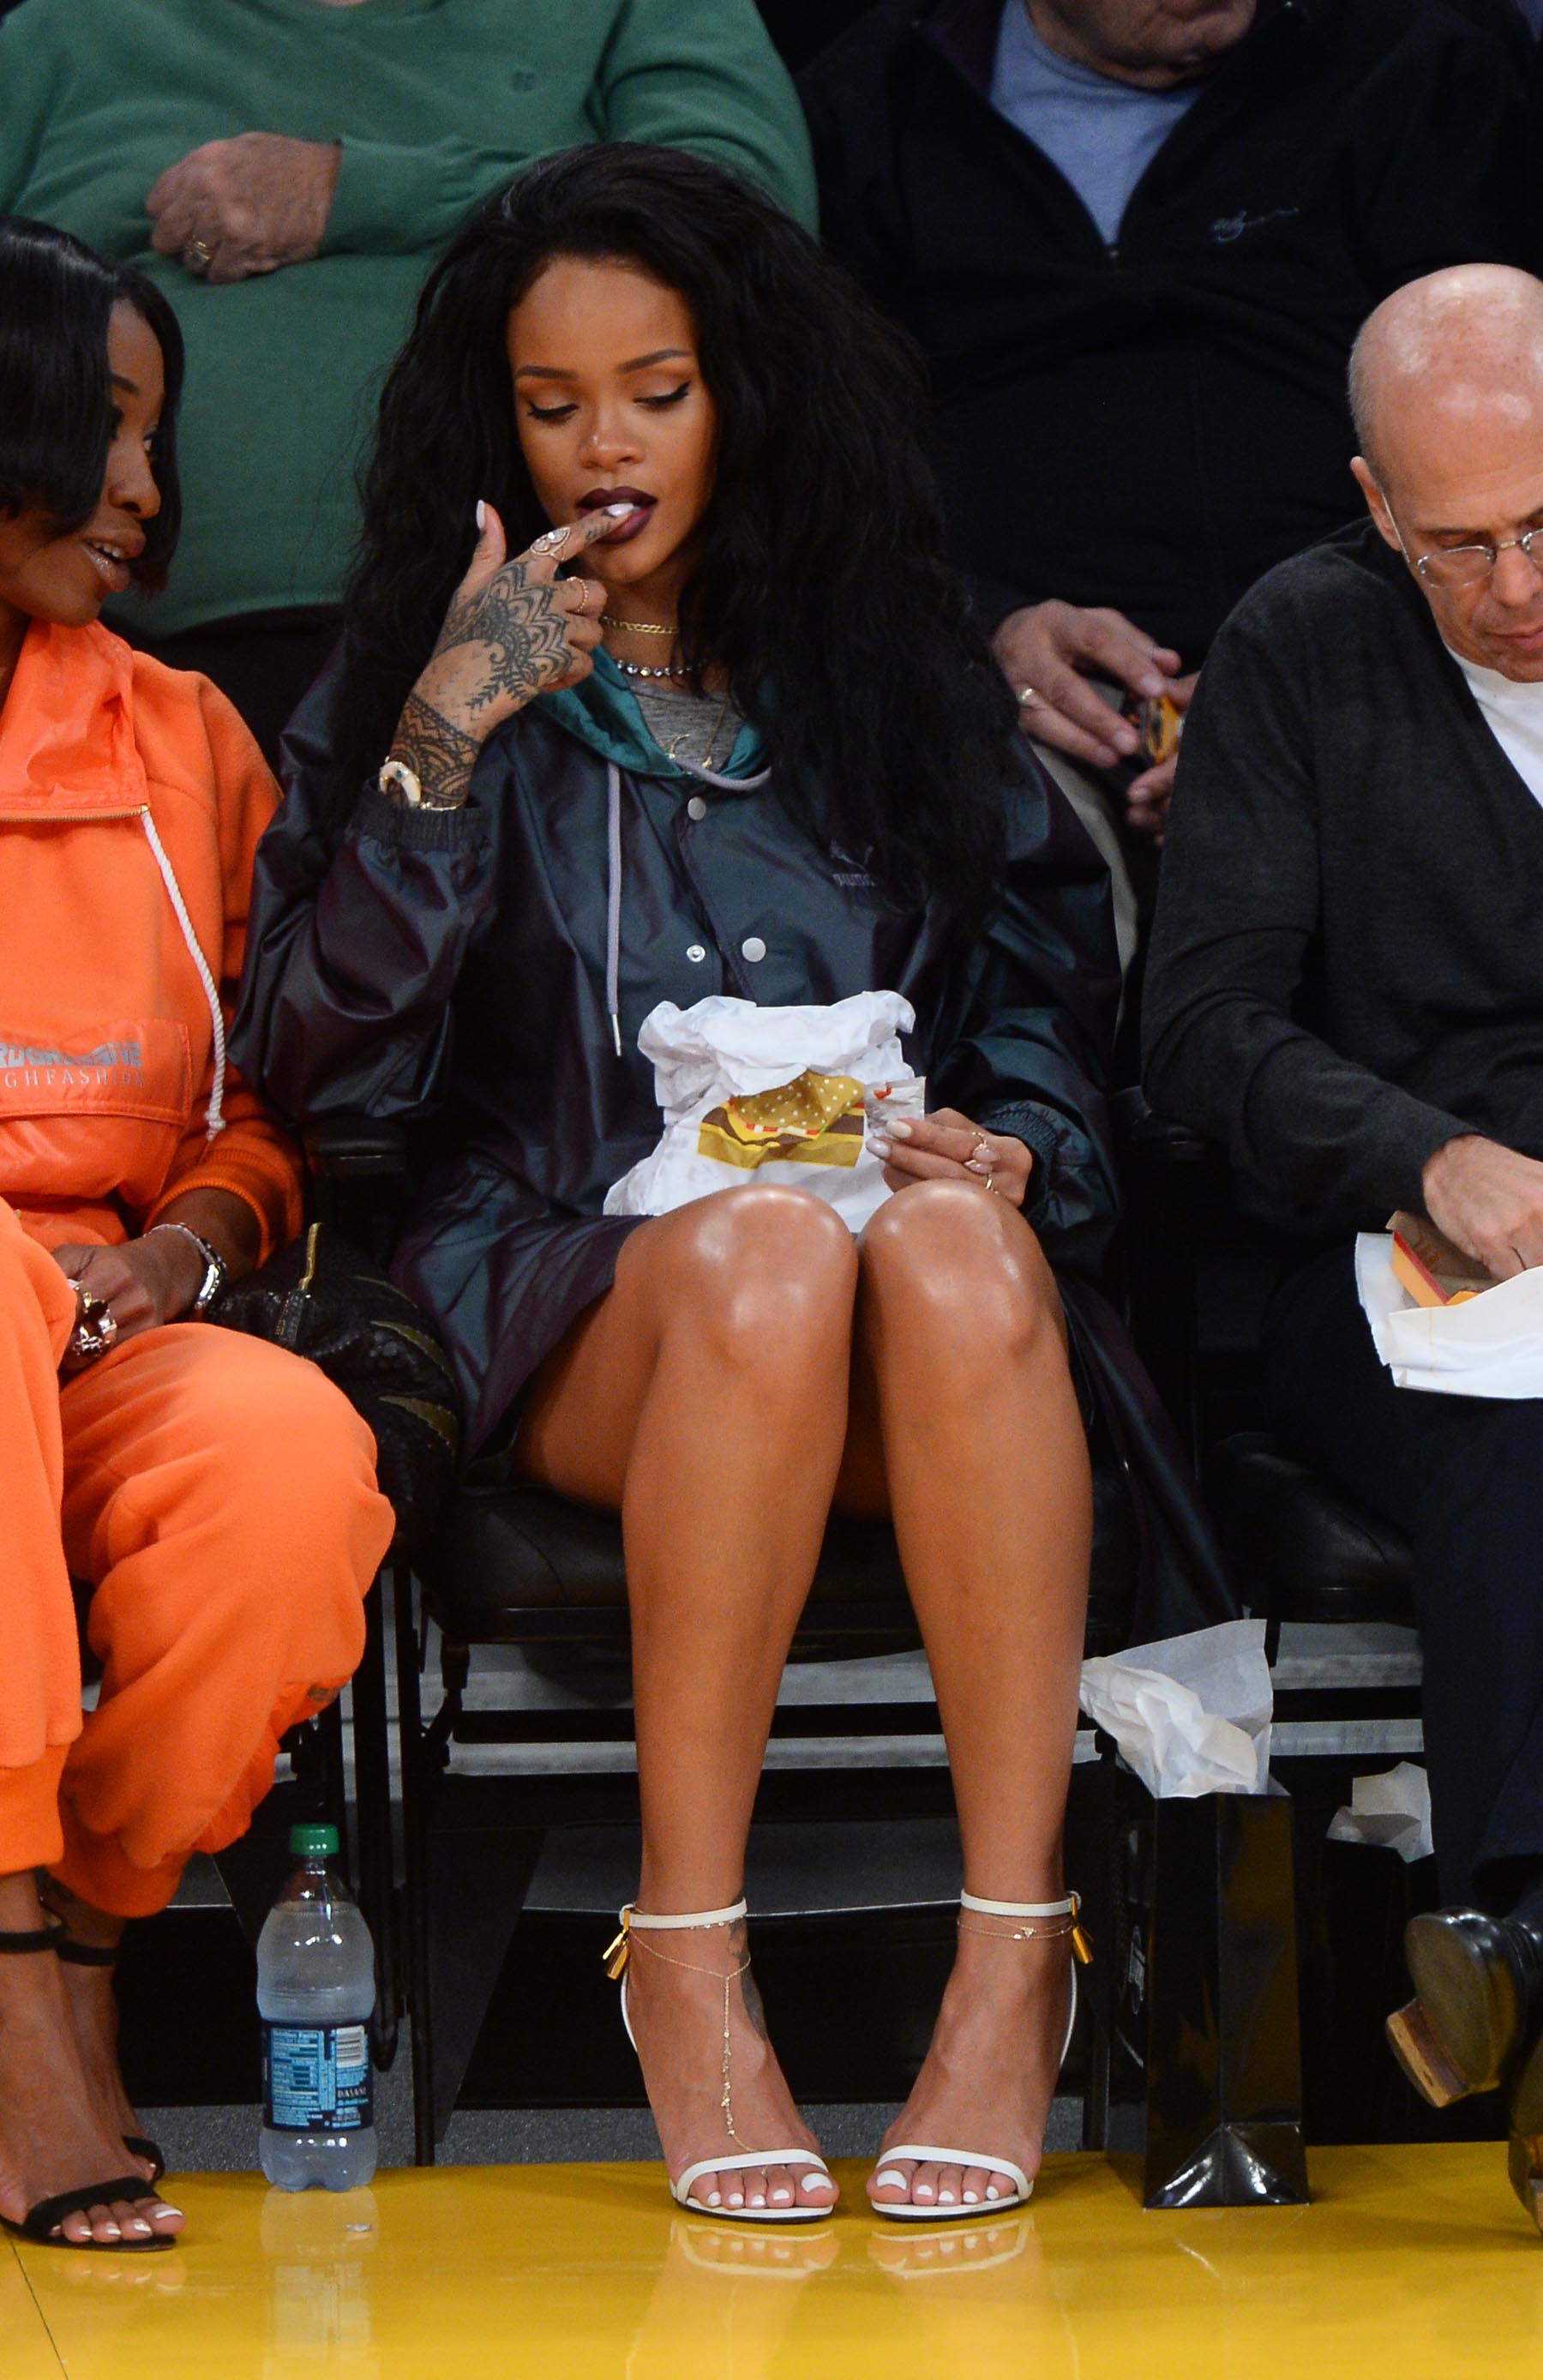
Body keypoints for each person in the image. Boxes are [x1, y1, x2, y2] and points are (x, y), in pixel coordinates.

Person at [236, 142, 1225, 2227]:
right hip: (573, 1279)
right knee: (764, 1248)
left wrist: (1013, 1138)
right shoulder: (427, 678)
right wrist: (445, 730)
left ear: (747, 395)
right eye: (554, 402)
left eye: (657, 391)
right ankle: (685, 1949)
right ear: (495, 425)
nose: (606, 445)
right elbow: (324, 1074)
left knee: (958, 1244)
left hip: (909, 1317)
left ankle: (1012, 1953)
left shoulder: (891, 674)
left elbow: (1040, 1012)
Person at [0, 217, 393, 2254]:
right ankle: (18, 2001)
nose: (150, 489)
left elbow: (267, 1109)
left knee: (284, 1471)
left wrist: (184, 1254)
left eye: (159, 433)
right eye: (107, 425)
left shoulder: (184, 739)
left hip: (101, 1320)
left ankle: (80, 1927)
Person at [1144, 262, 1543, 2239]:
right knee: (1517, 1420)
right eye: (1460, 544)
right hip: (1386, 1257)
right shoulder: (1304, 642)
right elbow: (1201, 1027)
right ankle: (1528, 1930)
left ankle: (1521, 1950)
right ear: (1378, 505)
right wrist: (1423, 1152)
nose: (1517, 586)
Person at [801, 0, 1524, 886]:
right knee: (982, 848)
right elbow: (830, 475)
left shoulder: (1414, 59)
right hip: (1028, 698)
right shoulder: (869, 107)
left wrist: (1300, 679)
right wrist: (981, 630)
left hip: (1381, 648)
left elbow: (1499, 437)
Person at [0, 0, 816, 767]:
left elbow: (750, 229)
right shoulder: (59, 35)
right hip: (94, 679)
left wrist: (355, 191)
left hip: (549, 669)